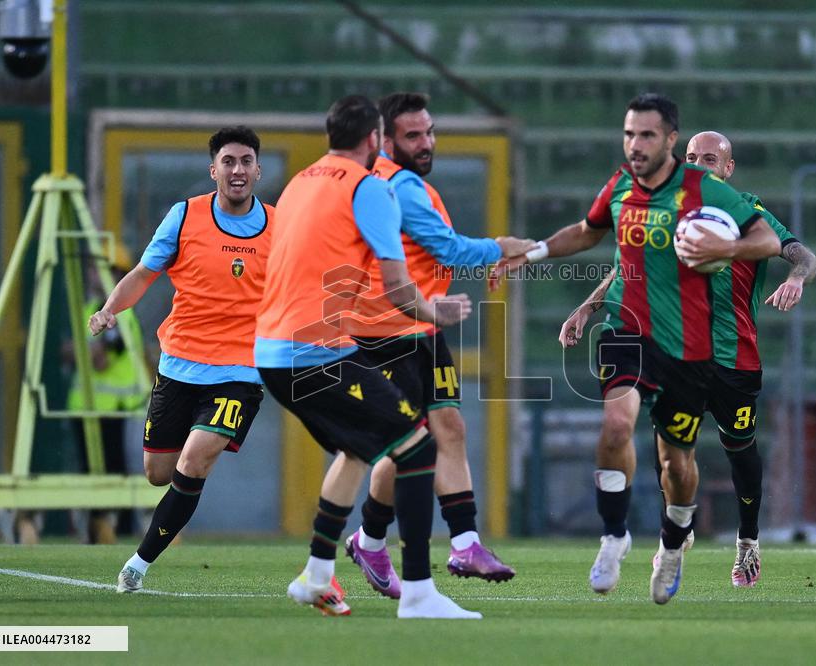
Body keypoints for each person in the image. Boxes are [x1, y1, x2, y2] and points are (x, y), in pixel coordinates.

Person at [492, 93, 782, 604]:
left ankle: (673, 544)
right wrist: (533, 252)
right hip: (628, 331)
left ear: (669, 139)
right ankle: (614, 536)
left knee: (676, 466)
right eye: (629, 134)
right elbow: (588, 234)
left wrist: (727, 247)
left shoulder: (705, 191)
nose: (635, 144)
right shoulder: (621, 186)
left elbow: (768, 241)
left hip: (686, 345)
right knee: (616, 424)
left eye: (646, 134)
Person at [559, 130, 816, 589]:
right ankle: (675, 533)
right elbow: (628, 265)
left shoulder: (749, 213)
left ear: (729, 169)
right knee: (669, 449)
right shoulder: (670, 210)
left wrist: (796, 278)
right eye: (693, 156)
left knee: (741, 450)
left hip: (734, 357)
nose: (699, 164)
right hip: (677, 350)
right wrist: (588, 307)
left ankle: (748, 541)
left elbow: (804, 256)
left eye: (710, 159)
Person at [254, 94, 481, 619]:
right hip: (315, 353)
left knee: (359, 451)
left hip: (274, 349)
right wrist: (437, 312)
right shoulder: (370, 188)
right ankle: (420, 595)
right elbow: (399, 287)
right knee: (418, 449)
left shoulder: (300, 182)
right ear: (375, 139)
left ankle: (316, 574)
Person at [330, 92, 529, 599]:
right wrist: (503, 248)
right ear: (384, 139)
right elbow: (448, 248)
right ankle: (362, 545)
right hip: (383, 331)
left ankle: (461, 543)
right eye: (413, 135)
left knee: (448, 430)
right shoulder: (394, 185)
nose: (426, 142)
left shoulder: (400, 183)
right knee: (402, 446)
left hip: (421, 328)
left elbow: (432, 252)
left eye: (430, 131)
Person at [89, 126, 272, 593]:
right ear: (213, 170)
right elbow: (143, 274)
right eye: (228, 161)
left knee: (195, 460)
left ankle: (137, 565)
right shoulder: (184, 216)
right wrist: (110, 309)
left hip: (240, 372)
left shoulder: (280, 226)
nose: (237, 170)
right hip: (180, 366)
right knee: (159, 473)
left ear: (258, 170)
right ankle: (177, 499)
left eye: (246, 161)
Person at [66, 252, 147, 544]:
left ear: (119, 275)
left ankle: (120, 529)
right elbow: (69, 352)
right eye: (92, 268)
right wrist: (80, 352)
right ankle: (96, 529)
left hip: (116, 409)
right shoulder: (90, 309)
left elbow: (98, 360)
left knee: (116, 469)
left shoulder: (121, 315)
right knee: (91, 471)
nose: (94, 275)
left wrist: (79, 352)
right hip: (85, 407)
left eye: (103, 269)